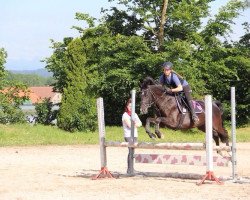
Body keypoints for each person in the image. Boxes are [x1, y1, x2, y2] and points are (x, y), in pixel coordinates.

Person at [122, 98, 142, 174]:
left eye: (132, 106)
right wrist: (135, 124)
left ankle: (132, 168)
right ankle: (129, 169)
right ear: (127, 106)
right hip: (128, 135)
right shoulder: (125, 115)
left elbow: (140, 123)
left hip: (135, 135)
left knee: (133, 152)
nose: (130, 108)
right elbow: (130, 126)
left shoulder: (135, 114)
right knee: (130, 151)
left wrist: (135, 124)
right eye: (129, 106)